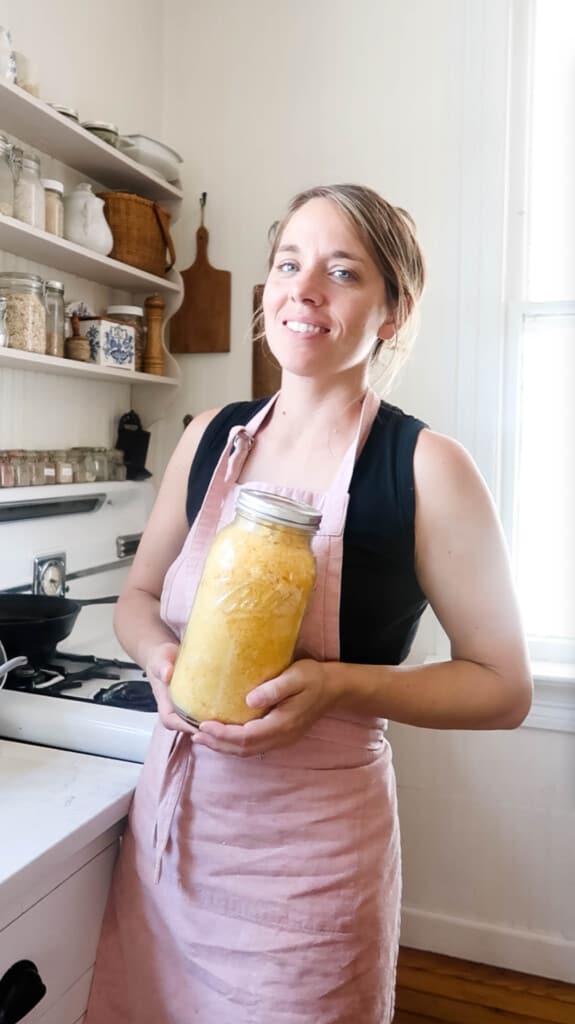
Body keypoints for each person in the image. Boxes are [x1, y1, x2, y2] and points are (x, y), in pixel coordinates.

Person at [85, 183, 532, 1024]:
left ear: (392, 313)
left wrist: (334, 686)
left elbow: (502, 687)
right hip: (171, 844)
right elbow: (138, 598)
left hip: (309, 867)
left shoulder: (426, 467)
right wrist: (159, 659)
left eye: (342, 271)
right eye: (289, 264)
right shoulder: (209, 435)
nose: (304, 290)